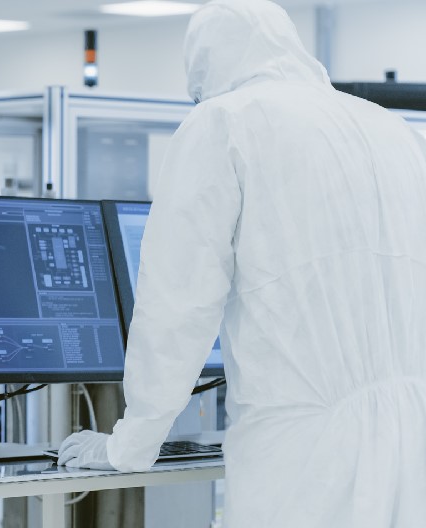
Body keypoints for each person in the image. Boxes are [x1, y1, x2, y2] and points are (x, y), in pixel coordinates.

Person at [57, 0, 426, 525]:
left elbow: (179, 302)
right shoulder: (394, 131)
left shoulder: (225, 122)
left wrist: (131, 442)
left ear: (207, 64)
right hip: (413, 444)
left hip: (305, 452)